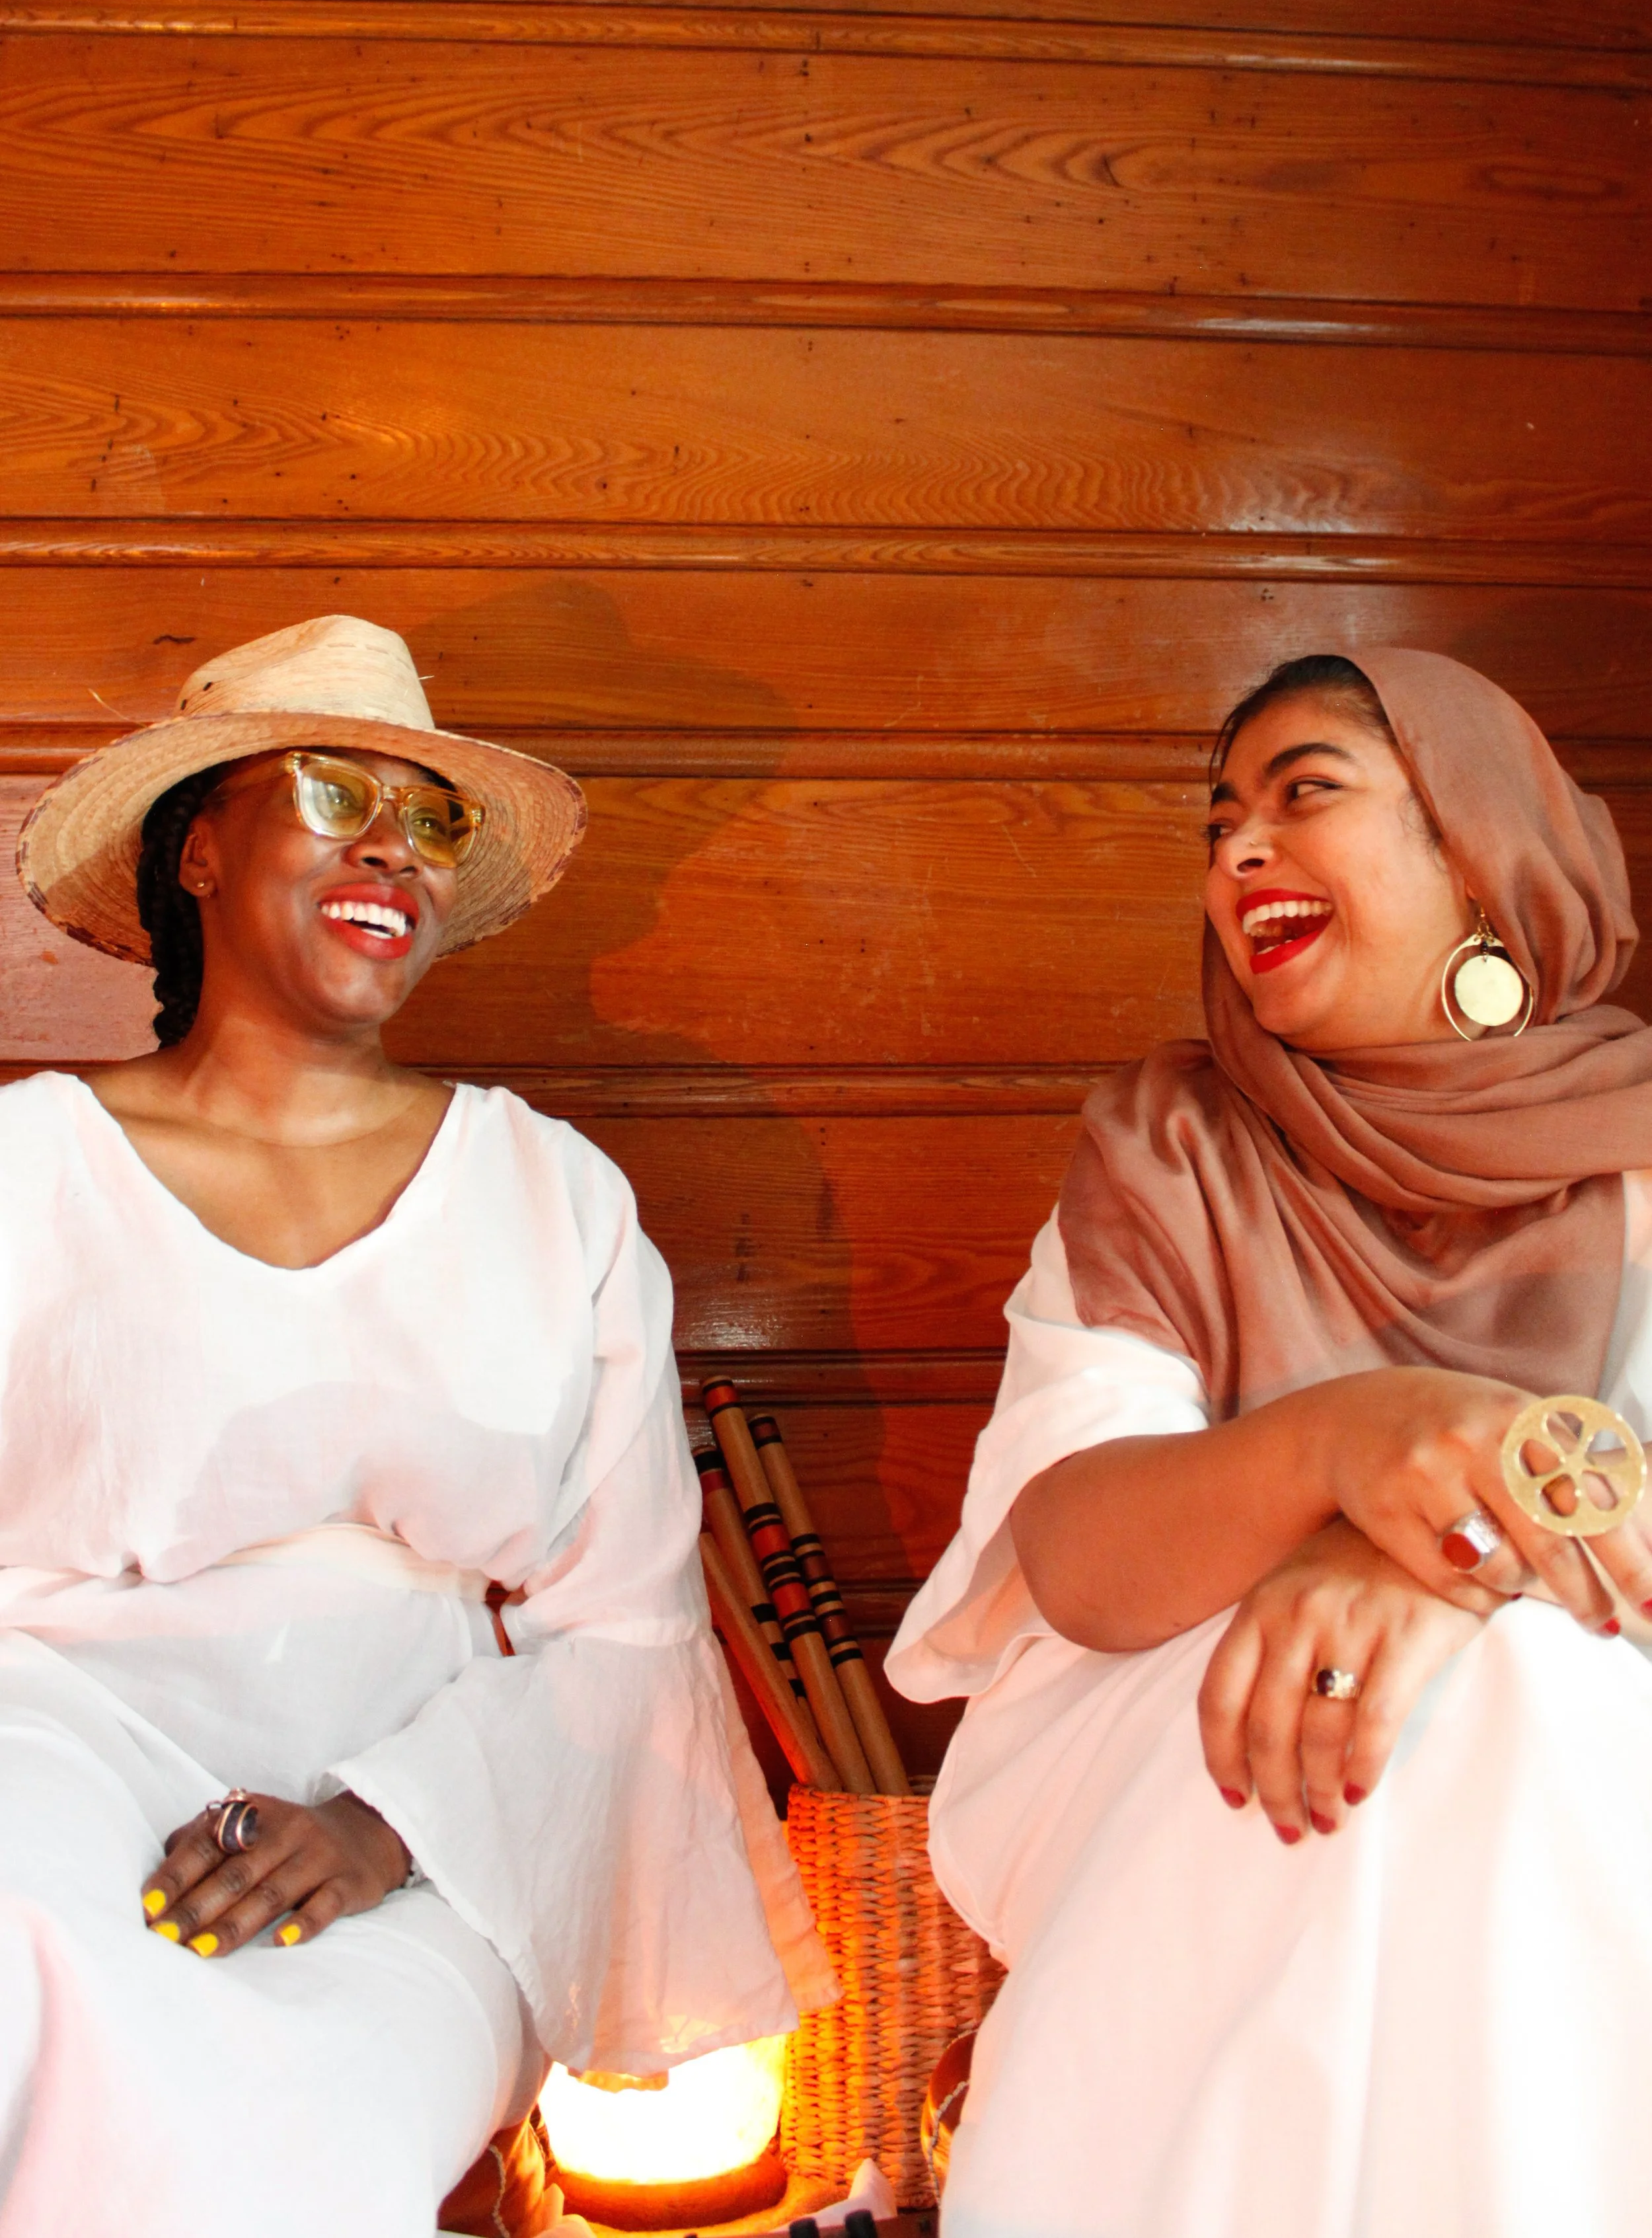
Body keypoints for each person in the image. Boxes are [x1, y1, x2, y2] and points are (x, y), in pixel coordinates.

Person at [0, 614, 826, 2238]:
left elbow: (625, 1632)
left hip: (447, 1821)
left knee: (304, 2136)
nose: (393, 847)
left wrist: (384, 1825)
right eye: (334, 790)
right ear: (201, 847)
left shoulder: (553, 1195)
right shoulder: (29, 1172)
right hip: (52, 1754)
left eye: (432, 817)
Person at [887, 649, 1652, 2238]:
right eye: (1217, 817)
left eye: (1303, 793)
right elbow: (1080, 1555)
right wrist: (1346, 1446)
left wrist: (1437, 1567)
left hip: (1564, 1722)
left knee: (1508, 1694)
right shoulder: (1166, 1149)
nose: (1236, 849)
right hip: (1172, 1716)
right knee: (1446, 1714)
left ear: (1474, 849)